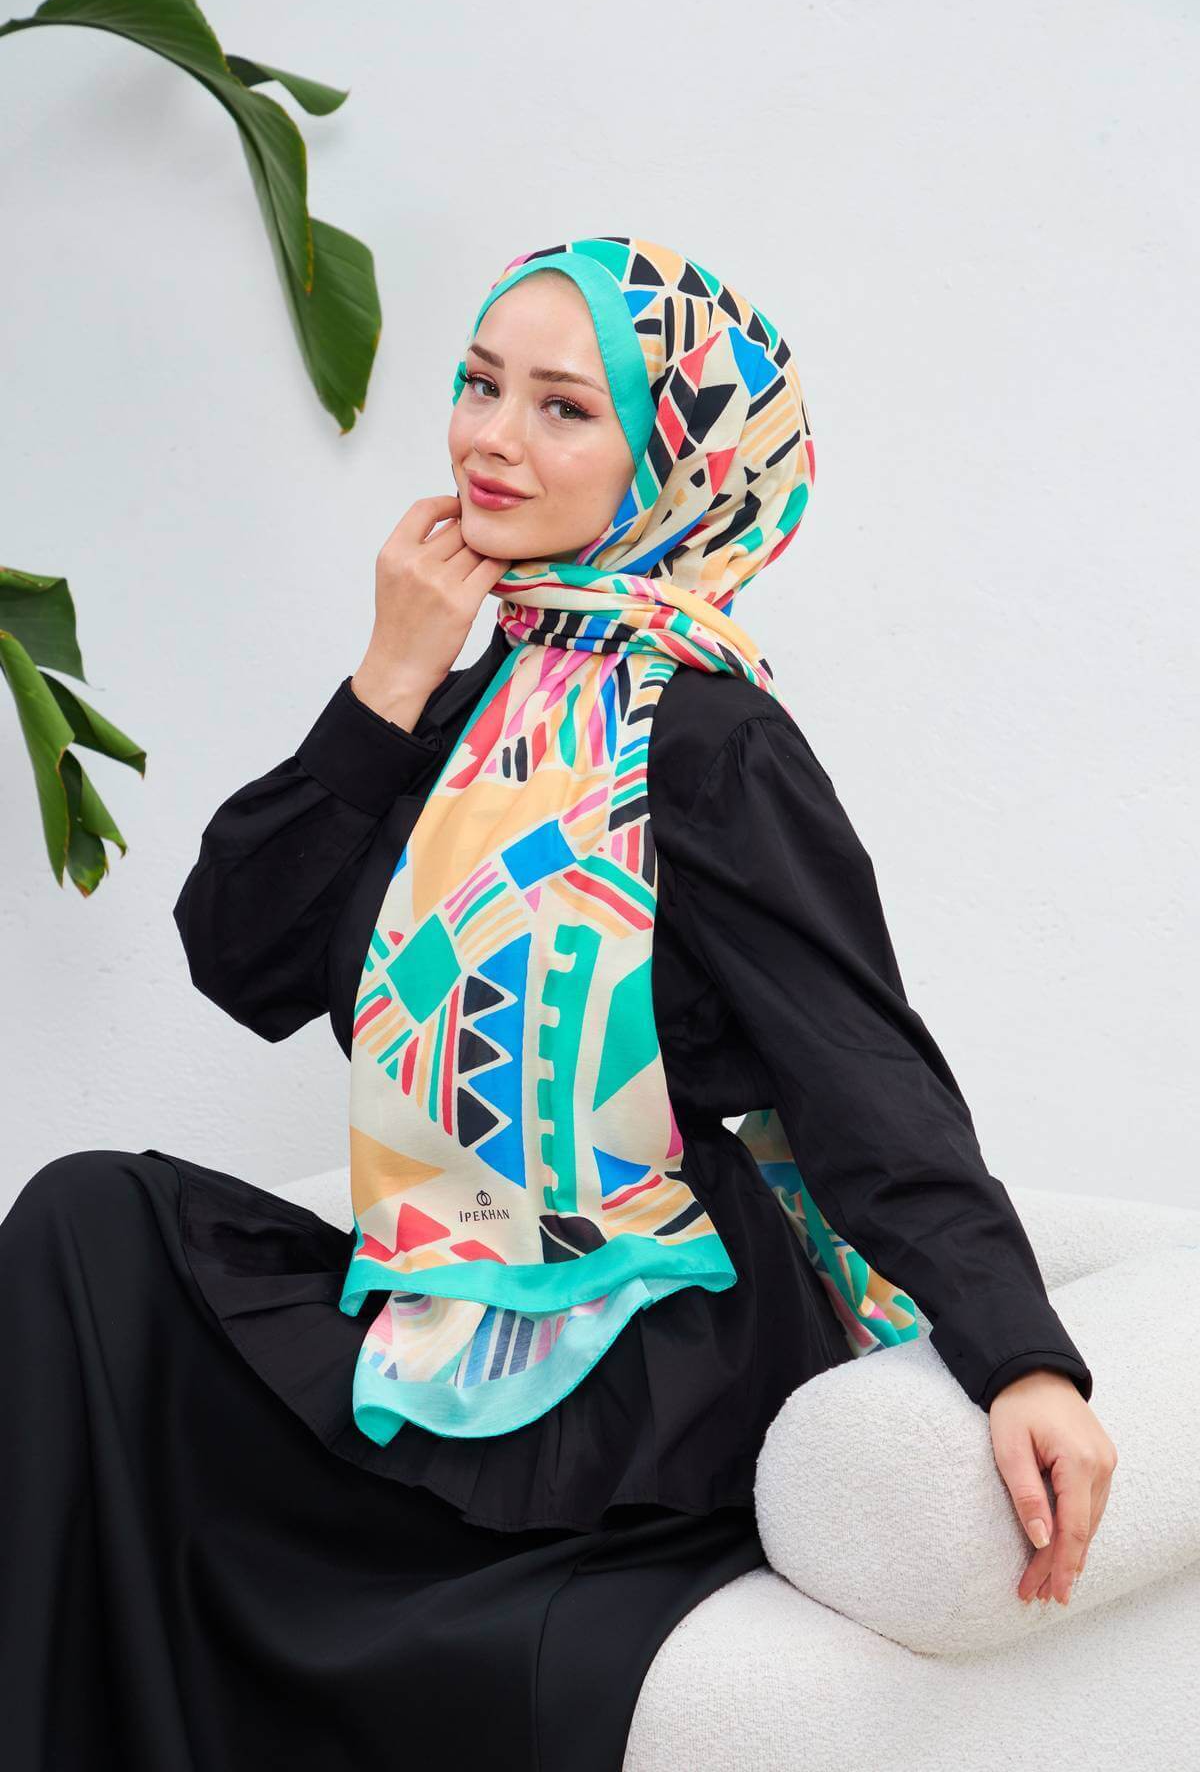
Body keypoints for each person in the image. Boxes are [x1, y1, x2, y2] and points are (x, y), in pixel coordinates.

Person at [0, 234, 1116, 1770]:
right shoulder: (458, 705)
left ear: (670, 463)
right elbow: (238, 960)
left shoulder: (707, 739)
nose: (492, 438)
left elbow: (860, 1065)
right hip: (441, 1284)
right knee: (90, 1228)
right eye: (478, 385)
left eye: (563, 407)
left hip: (652, 1337)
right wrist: (386, 682)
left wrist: (1022, 1356)